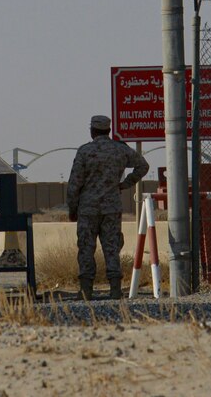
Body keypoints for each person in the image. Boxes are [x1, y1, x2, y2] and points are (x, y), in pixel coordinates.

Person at [65, 114, 149, 299]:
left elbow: (74, 184)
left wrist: (72, 209)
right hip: (111, 208)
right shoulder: (120, 150)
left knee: (86, 248)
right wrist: (125, 184)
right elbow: (142, 166)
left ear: (92, 130)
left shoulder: (85, 151)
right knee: (111, 248)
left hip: (88, 209)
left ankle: (86, 291)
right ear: (109, 130)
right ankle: (115, 290)